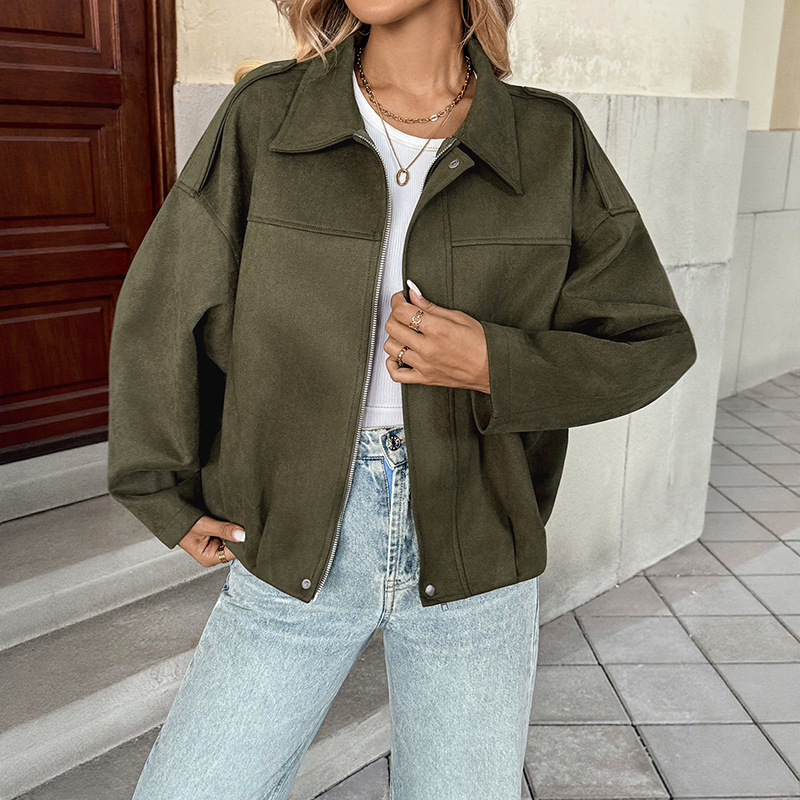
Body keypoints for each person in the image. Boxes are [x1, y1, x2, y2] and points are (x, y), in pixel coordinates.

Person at [108, 1, 697, 798]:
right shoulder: (268, 115)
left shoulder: (547, 139)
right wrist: (160, 486)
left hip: (476, 537)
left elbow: (651, 342)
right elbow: (169, 305)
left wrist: (495, 362)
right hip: (294, 526)